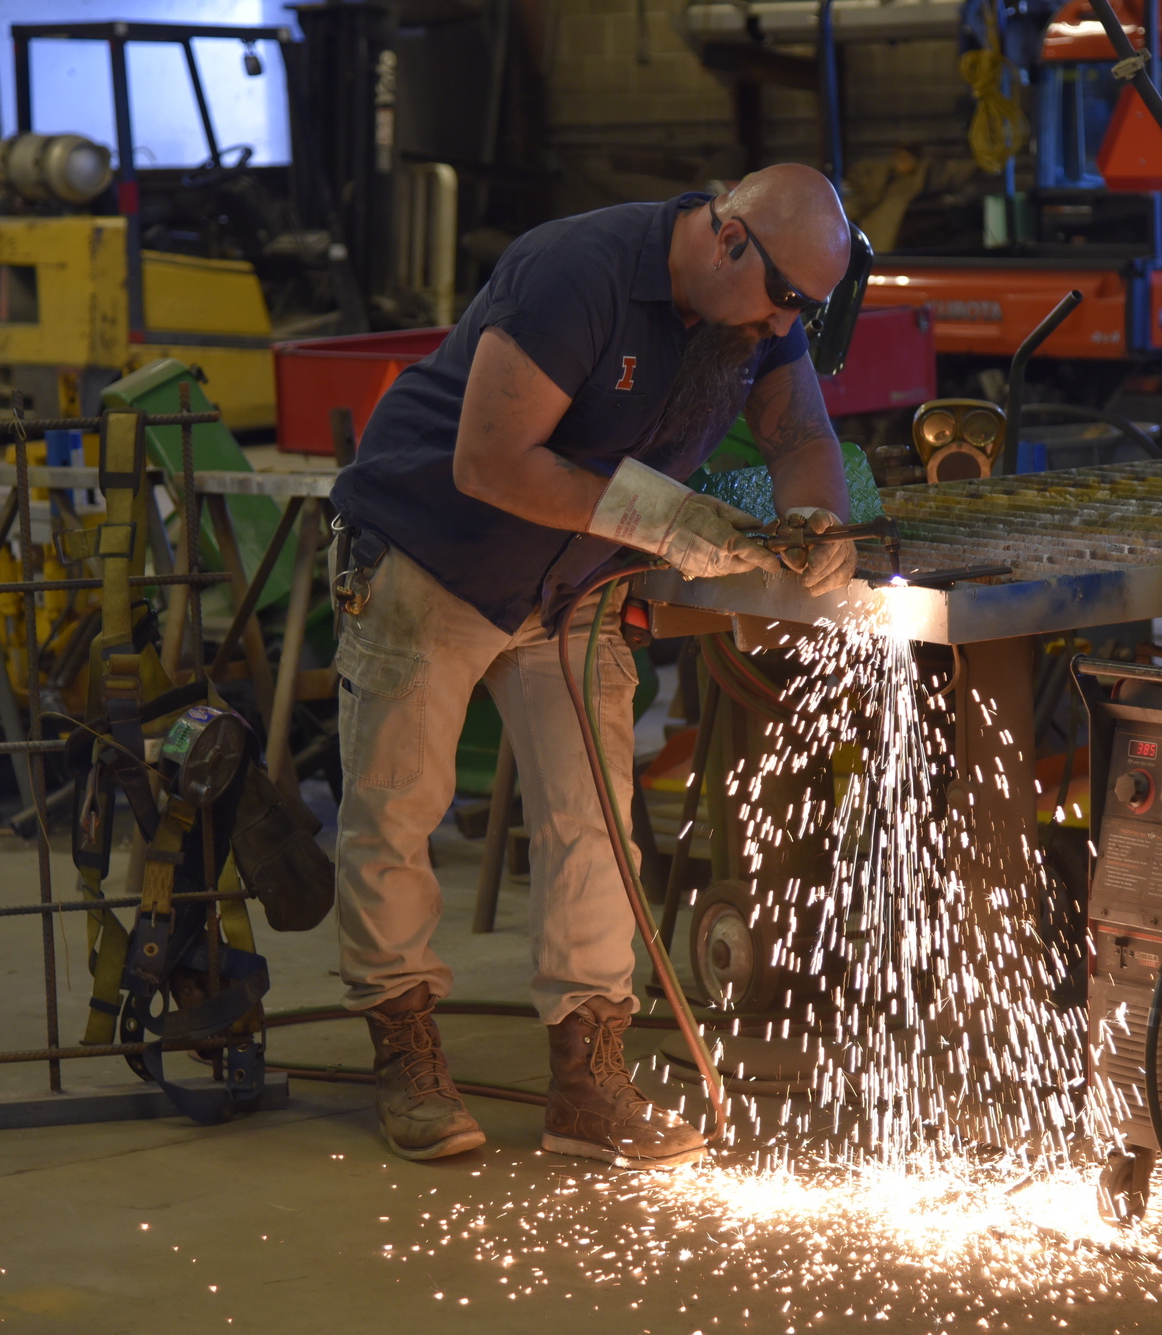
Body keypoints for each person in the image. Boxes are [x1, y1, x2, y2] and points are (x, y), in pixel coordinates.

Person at [326, 165, 859, 1169]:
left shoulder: (760, 313)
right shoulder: (575, 272)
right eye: (784, 302)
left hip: (571, 587)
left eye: (804, 312)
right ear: (730, 239)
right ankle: (404, 1050)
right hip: (435, 559)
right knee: (397, 806)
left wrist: (818, 518)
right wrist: (664, 522)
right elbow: (488, 462)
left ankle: (586, 1077)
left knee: (597, 824)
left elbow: (799, 433)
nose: (781, 327)